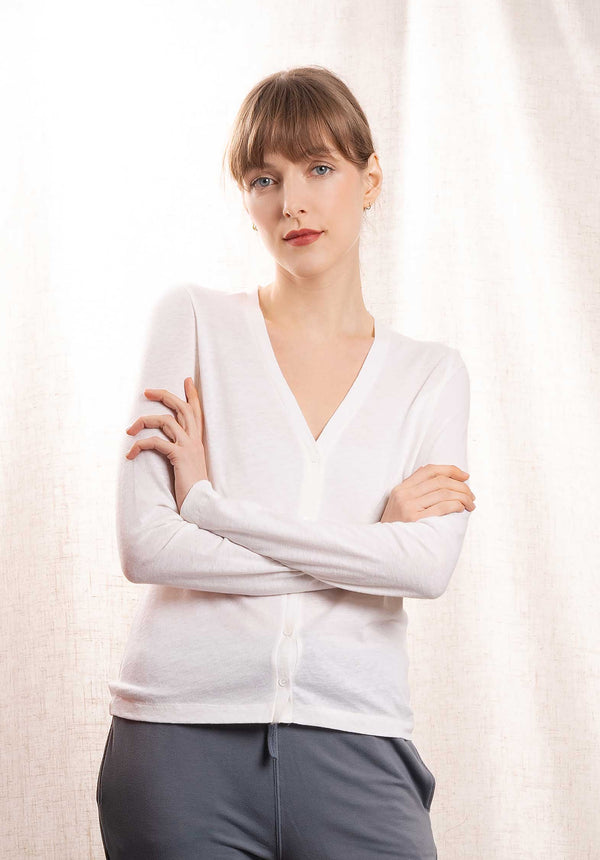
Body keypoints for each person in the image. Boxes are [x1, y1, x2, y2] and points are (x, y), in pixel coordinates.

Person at [95, 65, 475, 860]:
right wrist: (372, 547)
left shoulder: (432, 375)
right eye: (264, 178)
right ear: (247, 200)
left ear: (371, 180)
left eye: (319, 168)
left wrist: (209, 508)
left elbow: (425, 568)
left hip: (359, 738)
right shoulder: (193, 320)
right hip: (178, 741)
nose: (292, 202)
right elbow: (146, 546)